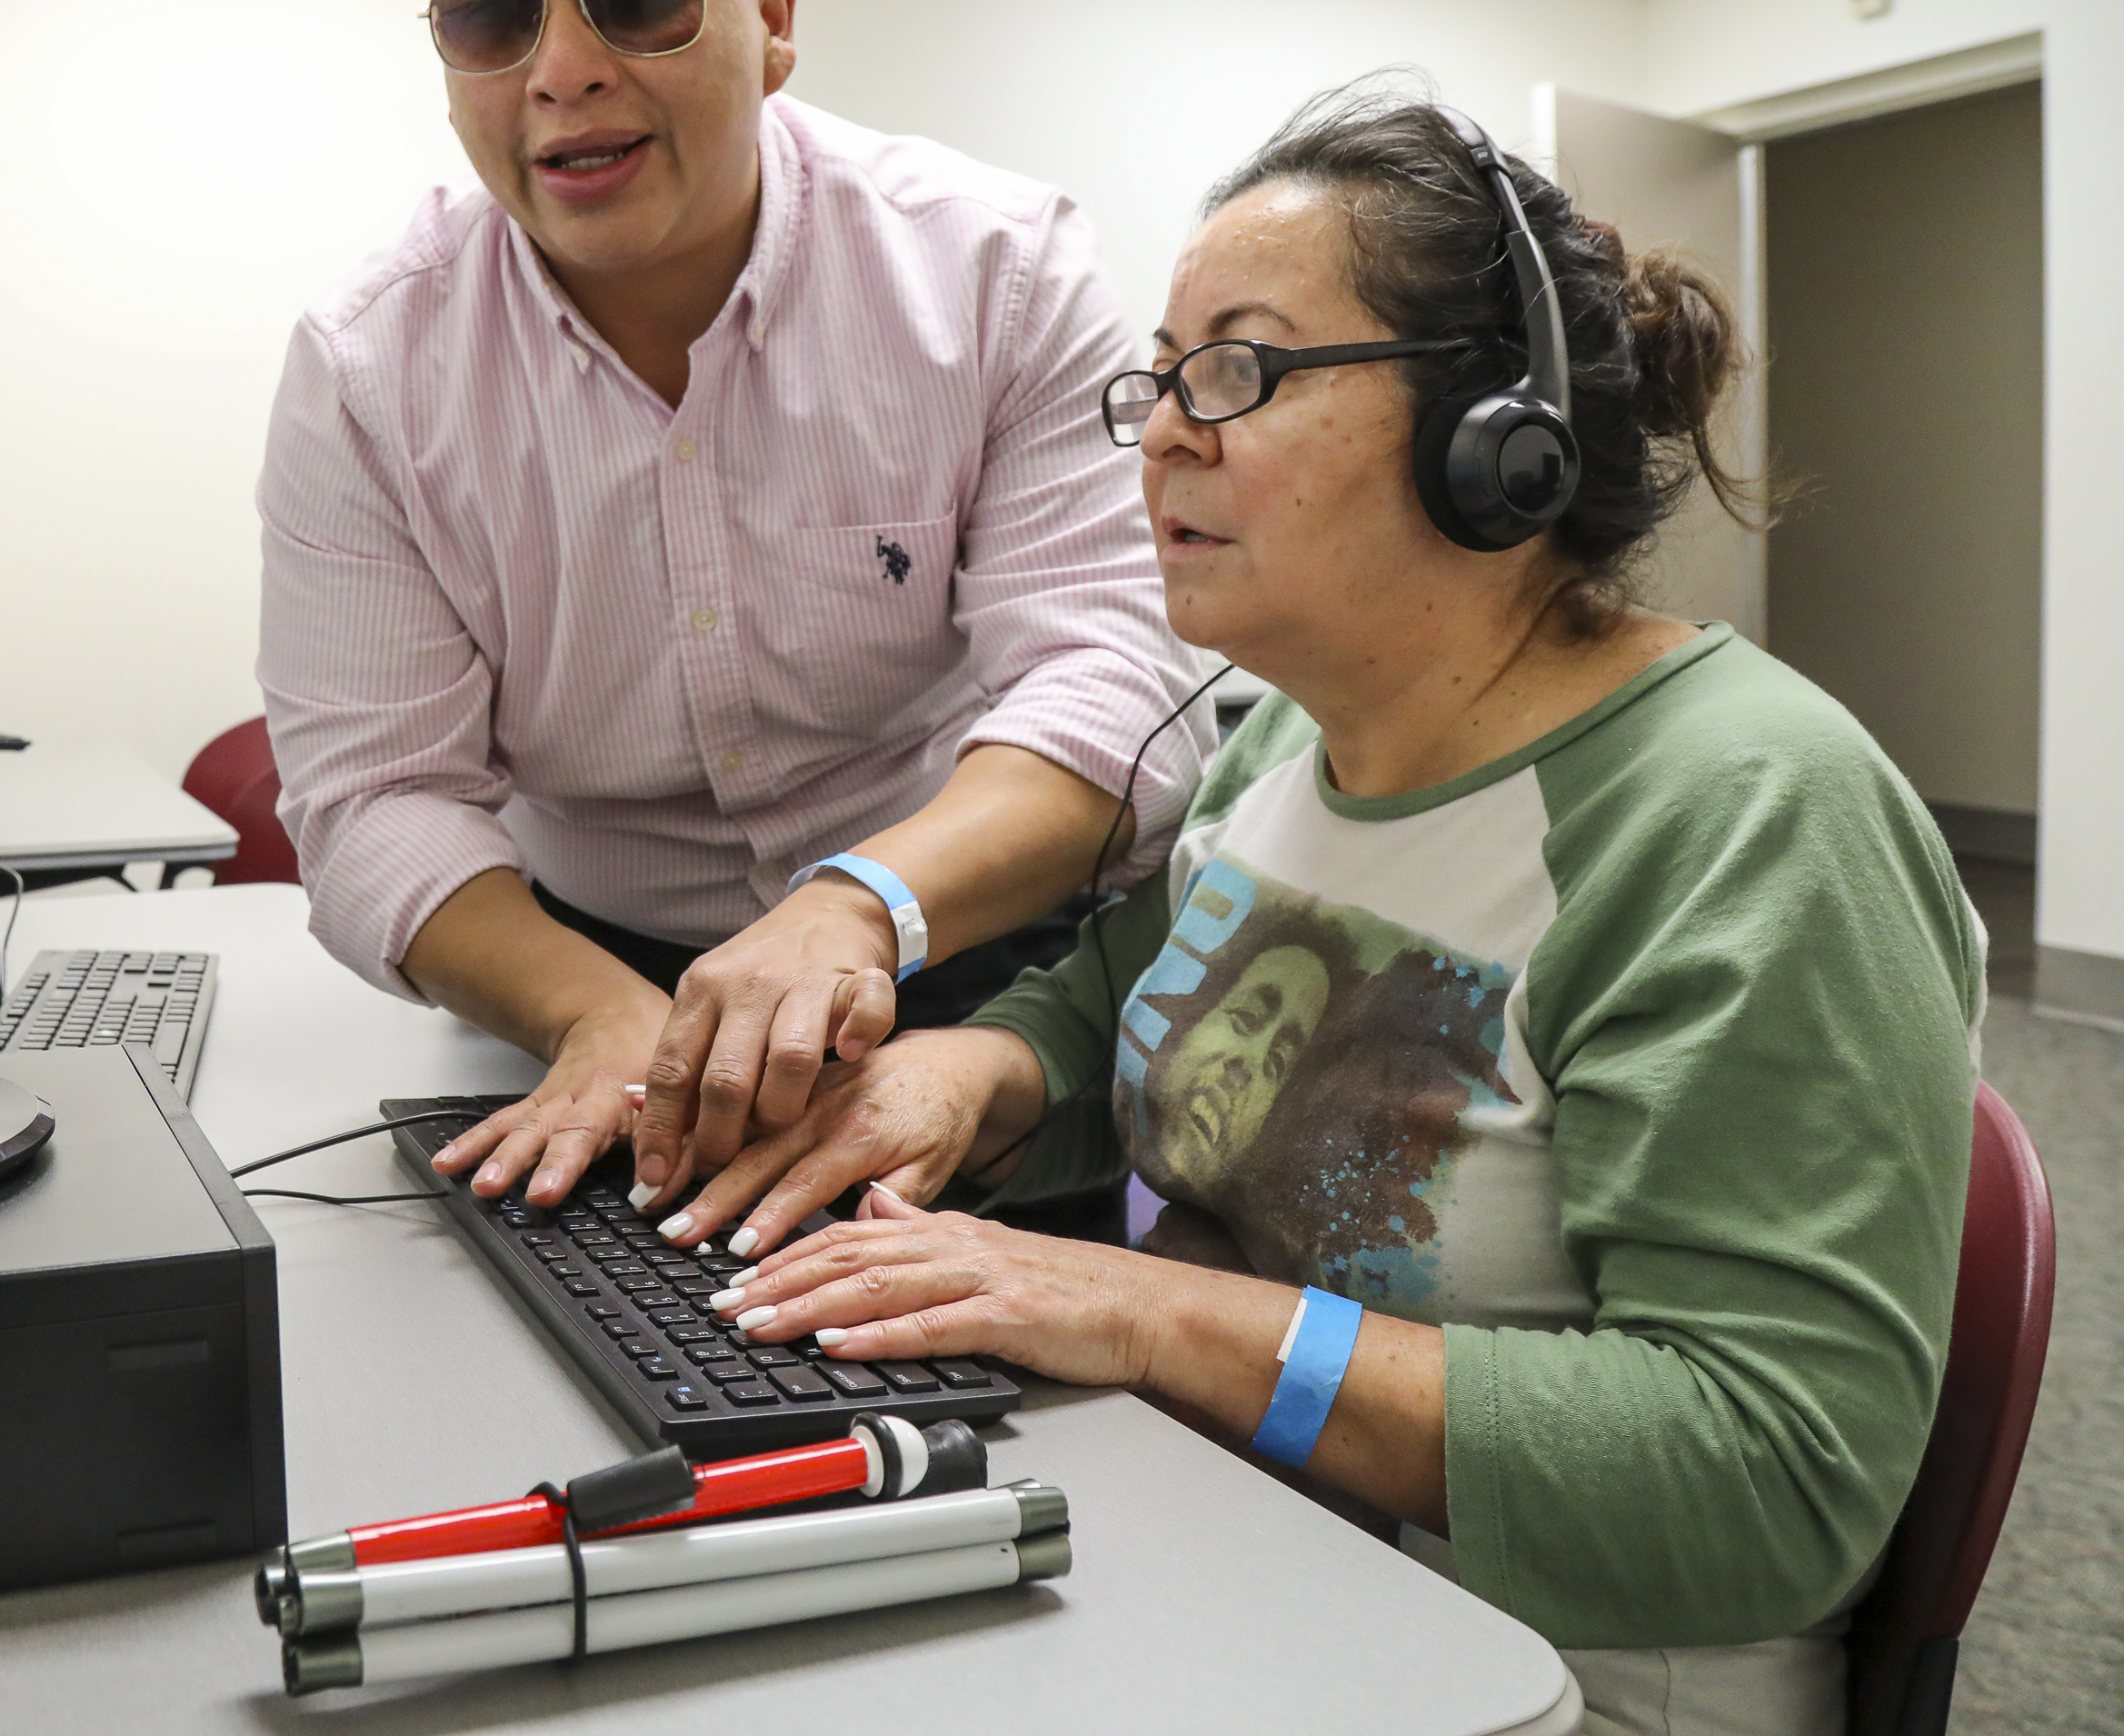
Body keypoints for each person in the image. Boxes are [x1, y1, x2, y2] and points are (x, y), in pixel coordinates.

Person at [656, 85, 1982, 1736]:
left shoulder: (1745, 815)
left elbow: (1767, 1479)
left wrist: (1146, 1312)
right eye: (1160, 375)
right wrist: (960, 1081)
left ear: (1494, 438)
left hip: (1532, 1687)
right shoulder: (1290, 736)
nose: (1161, 431)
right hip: (1231, 1577)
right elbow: (1117, 996)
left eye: (1242, 370)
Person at [256, 0, 1206, 1221]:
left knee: (1011, 1421)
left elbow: (1108, 685)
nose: (562, 68)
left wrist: (861, 904)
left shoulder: (997, 274)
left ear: (769, 19)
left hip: (949, 947)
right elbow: (376, 795)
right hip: (578, 976)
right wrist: (586, 1012)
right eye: (492, 13)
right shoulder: (373, 368)